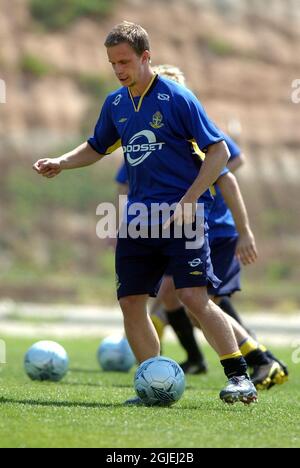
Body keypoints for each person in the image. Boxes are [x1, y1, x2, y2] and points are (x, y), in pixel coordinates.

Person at [33, 21, 257, 405]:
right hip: (138, 220)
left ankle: (240, 378)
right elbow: (96, 147)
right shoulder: (116, 103)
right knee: (131, 301)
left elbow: (219, 152)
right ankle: (153, 382)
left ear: (145, 57)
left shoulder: (177, 98)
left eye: (124, 61)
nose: (119, 70)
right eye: (112, 63)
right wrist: (62, 161)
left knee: (192, 296)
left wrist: (189, 199)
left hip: (183, 219)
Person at [114, 64, 288, 389]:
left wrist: (242, 229)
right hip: (160, 230)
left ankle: (258, 361)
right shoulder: (143, 139)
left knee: (199, 302)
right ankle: (197, 361)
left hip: (211, 229)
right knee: (177, 297)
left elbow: (229, 169)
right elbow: (123, 184)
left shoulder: (192, 138)